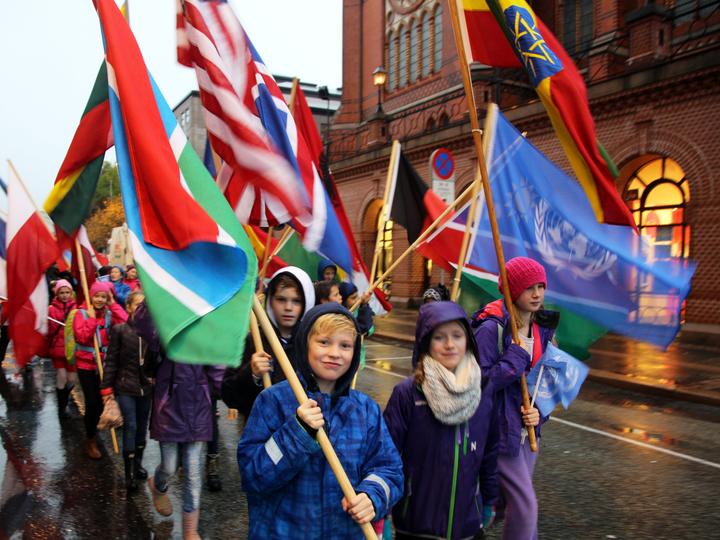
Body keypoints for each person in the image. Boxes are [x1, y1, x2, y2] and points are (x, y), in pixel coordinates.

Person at [237, 303, 404, 539]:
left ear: (355, 353)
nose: (335, 353)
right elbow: (253, 476)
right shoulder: (272, 401)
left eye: (345, 345)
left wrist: (372, 495)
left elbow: (389, 470)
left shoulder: (366, 410)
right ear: (305, 345)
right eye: (324, 342)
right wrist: (297, 433)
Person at [383, 301, 499, 540]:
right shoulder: (408, 392)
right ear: (426, 342)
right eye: (439, 337)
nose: (449, 345)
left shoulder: (484, 389)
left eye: (457, 335)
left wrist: (489, 499)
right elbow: (386, 456)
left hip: (467, 524)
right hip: (417, 523)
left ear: (468, 340)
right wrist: (381, 510)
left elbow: (489, 453)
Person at [471, 257, 559, 540]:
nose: (537, 294)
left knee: (513, 505)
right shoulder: (491, 329)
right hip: (499, 433)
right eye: (528, 287)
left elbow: (548, 382)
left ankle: (470, 523)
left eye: (540, 286)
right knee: (525, 506)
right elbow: (480, 383)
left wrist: (540, 413)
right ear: (510, 291)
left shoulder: (544, 330)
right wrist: (514, 360)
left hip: (529, 432)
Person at [134, 301, 225, 540]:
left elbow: (218, 366)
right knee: (170, 465)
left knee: (194, 472)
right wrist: (151, 297)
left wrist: (230, 393)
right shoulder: (165, 328)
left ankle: (190, 531)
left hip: (199, 409)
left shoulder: (207, 328)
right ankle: (158, 485)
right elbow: (143, 325)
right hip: (169, 407)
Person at [222, 267, 315, 417]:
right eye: (281, 299)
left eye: (296, 301)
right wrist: (252, 373)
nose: (288, 308)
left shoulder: (312, 344)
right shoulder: (253, 341)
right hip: (259, 435)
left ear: (307, 302)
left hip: (302, 433)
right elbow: (230, 397)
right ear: (270, 301)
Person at [99, 290, 152, 491]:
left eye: (144, 306)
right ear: (128, 307)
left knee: (141, 427)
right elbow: (111, 361)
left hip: (145, 389)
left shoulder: (152, 331)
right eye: (137, 305)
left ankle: (138, 463)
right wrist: (106, 389)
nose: (141, 309)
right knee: (129, 427)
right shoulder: (120, 330)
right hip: (125, 388)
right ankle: (129, 473)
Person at [72, 282, 127, 459]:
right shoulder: (80, 314)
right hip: (86, 365)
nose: (100, 300)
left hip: (106, 364)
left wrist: (113, 304)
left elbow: (126, 322)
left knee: (106, 402)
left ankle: (99, 429)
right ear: (90, 296)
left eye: (104, 297)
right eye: (97, 296)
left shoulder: (110, 313)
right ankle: (91, 439)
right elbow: (82, 336)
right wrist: (92, 320)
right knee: (93, 404)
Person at [48, 279, 77, 420]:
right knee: (61, 377)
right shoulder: (50, 310)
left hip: (71, 349)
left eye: (67, 292)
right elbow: (48, 330)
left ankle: (64, 399)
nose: (65, 295)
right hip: (57, 349)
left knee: (71, 379)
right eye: (62, 292)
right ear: (57, 293)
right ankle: (62, 407)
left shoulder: (76, 308)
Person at [338, 282, 373, 369]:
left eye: (357, 296)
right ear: (343, 297)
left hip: (357, 350)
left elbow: (367, 325)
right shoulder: (337, 311)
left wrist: (367, 331)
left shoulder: (358, 307)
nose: (356, 300)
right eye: (353, 298)